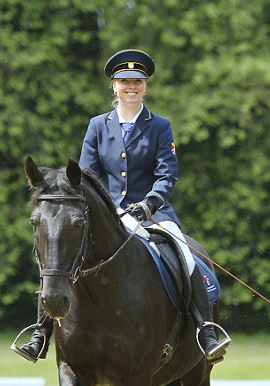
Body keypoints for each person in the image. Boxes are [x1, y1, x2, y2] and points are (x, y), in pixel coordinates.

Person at [13, 49, 230, 364]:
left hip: (153, 214)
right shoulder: (98, 126)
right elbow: (86, 177)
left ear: (145, 86)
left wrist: (149, 204)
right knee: (60, 253)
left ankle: (204, 330)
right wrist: (107, 208)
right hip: (108, 215)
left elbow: (167, 174)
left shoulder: (160, 127)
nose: (132, 86)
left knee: (184, 253)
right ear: (114, 86)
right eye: (125, 81)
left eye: (138, 81)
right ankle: (40, 333)